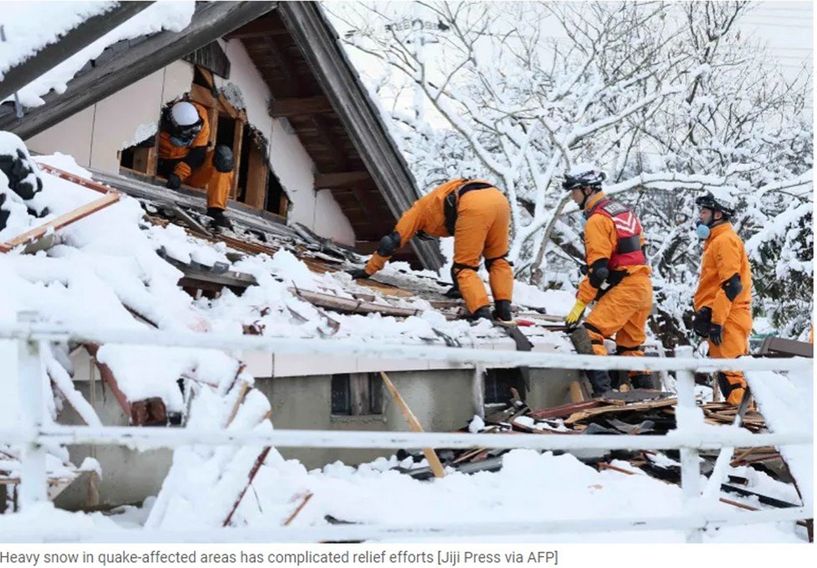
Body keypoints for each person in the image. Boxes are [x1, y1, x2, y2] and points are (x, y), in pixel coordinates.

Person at [348, 178, 514, 322]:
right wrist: (459, 289)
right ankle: (504, 310)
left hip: (472, 203)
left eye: (426, 236)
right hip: (498, 200)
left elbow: (391, 242)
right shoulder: (437, 201)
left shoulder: (418, 212)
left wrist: (368, 270)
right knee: (497, 260)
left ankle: (481, 313)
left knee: (464, 267)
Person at [562, 165, 654, 396]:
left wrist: (580, 304)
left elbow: (598, 271)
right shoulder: (623, 211)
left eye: (574, 191)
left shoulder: (597, 220)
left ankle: (603, 394)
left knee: (589, 334)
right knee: (630, 346)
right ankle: (647, 398)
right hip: (642, 286)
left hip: (627, 289)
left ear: (586, 189)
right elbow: (634, 251)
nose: (572, 198)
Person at [692, 191, 753, 405]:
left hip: (729, 318)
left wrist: (716, 321)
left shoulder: (725, 241)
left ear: (718, 214)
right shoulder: (716, 241)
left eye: (704, 211)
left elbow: (731, 285)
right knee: (728, 373)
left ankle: (744, 425)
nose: (700, 216)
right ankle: (741, 423)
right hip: (723, 315)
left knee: (732, 376)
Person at [156, 99, 234, 228]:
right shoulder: (156, 119)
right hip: (163, 167)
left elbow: (198, 153)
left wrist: (179, 174)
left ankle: (216, 210)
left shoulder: (201, 116)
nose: (190, 137)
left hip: (191, 169)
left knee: (224, 155)